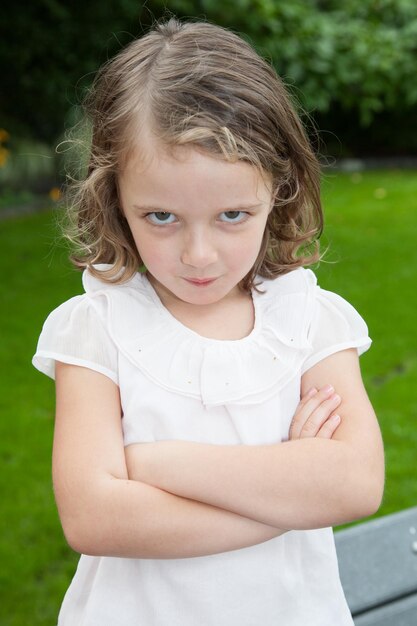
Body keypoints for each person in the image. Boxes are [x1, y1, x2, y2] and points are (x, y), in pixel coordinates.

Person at [32, 16, 384, 626]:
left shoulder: (307, 319)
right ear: (115, 197)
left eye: (232, 215)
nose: (198, 255)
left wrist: (156, 463)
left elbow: (354, 483)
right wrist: (290, 495)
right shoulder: (95, 328)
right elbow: (94, 518)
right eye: (162, 216)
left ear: (279, 187)